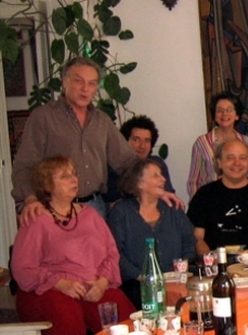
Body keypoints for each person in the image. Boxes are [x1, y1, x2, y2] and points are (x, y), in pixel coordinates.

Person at [10, 156, 135, 335]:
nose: (74, 179)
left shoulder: (90, 215)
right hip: (50, 289)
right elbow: (22, 267)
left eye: (74, 174)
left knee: (125, 319)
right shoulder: (36, 219)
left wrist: (102, 282)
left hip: (91, 286)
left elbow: (111, 254)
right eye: (64, 176)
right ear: (47, 185)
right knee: (67, 318)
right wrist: (60, 283)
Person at [11, 57, 137, 220]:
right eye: (79, 81)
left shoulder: (102, 121)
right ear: (65, 82)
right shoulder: (43, 117)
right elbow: (24, 166)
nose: (85, 88)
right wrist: (30, 199)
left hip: (94, 207)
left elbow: (127, 162)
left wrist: (154, 186)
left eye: (92, 83)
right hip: (53, 208)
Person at [107, 159, 196, 309]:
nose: (163, 179)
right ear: (139, 183)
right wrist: (141, 276)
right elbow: (115, 253)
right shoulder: (121, 212)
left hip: (177, 280)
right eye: (156, 175)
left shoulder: (172, 208)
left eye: (161, 174)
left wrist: (182, 268)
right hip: (136, 285)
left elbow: (189, 241)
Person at [188, 139, 248, 254]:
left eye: (242, 158)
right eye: (230, 158)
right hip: (215, 267)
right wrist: (210, 261)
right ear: (219, 162)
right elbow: (196, 236)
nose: (236, 163)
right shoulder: (204, 195)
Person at [187, 92, 248, 198]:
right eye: (220, 111)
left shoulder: (245, 141)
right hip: (211, 201)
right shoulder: (202, 143)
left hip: (242, 199)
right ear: (214, 116)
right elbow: (194, 182)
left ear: (237, 115)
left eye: (229, 110)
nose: (224, 114)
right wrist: (199, 204)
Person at [103, 115, 175, 206]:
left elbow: (169, 196)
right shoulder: (114, 168)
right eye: (136, 140)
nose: (142, 146)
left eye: (147, 141)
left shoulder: (157, 164)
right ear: (124, 142)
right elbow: (110, 202)